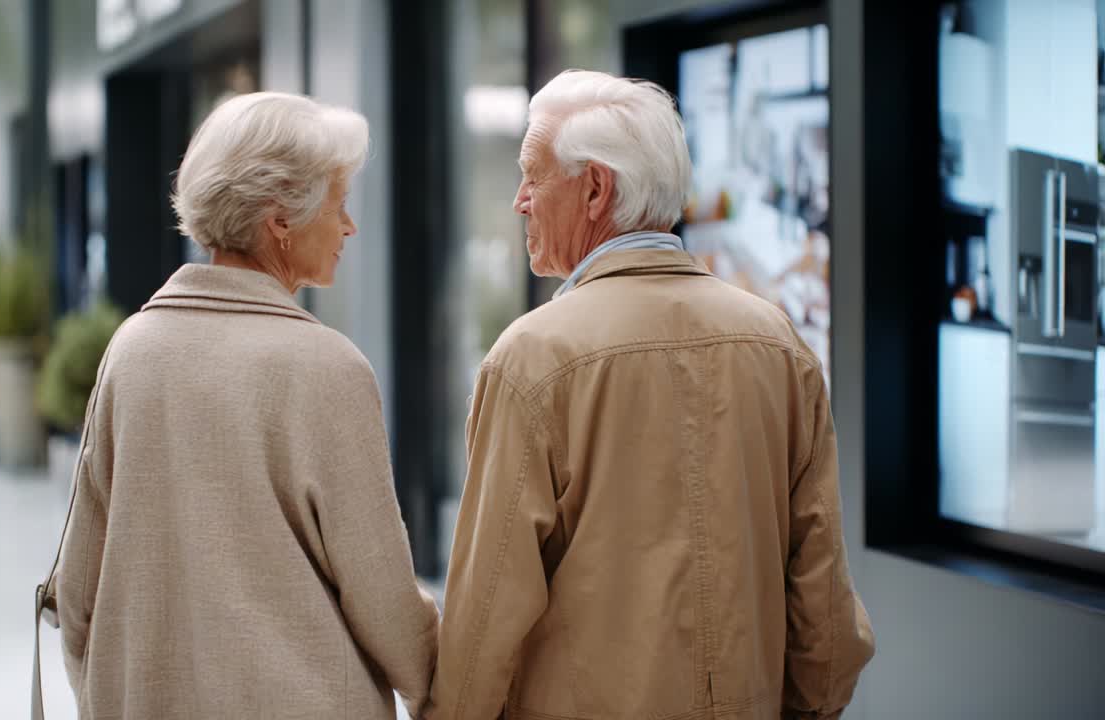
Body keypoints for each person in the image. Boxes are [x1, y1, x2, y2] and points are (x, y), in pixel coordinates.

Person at [426, 70, 874, 720]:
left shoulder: (531, 361)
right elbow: (826, 615)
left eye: (533, 174)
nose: (520, 199)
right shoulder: (778, 346)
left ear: (595, 189)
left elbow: (483, 621)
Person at [55, 92, 439, 718]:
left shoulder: (132, 350)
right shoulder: (328, 369)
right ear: (281, 217)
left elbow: (79, 587)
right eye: (340, 205)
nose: (350, 227)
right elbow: (383, 599)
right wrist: (444, 685)